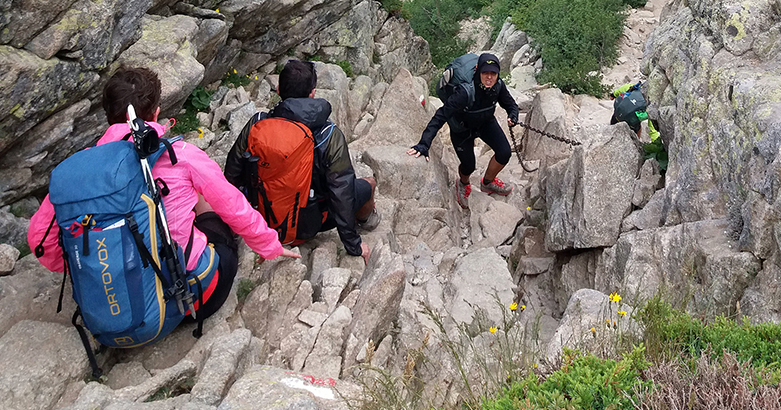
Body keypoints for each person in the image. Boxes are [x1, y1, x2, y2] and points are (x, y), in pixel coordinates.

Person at [28, 66, 301, 330]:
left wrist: (86, 269)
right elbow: (233, 206)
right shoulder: (179, 155)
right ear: (156, 112)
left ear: (108, 115)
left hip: (112, 311)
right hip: (193, 300)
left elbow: (40, 241)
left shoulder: (79, 172)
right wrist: (270, 245)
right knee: (202, 199)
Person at [225, 58, 374, 262]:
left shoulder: (257, 123)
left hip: (261, 216)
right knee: (368, 184)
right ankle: (368, 221)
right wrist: (354, 245)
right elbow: (342, 193)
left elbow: (232, 173)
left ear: (278, 90)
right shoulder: (328, 135)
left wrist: (234, 224)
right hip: (307, 225)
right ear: (312, 93)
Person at [407, 51, 519, 208]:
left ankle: (488, 182)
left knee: (504, 152)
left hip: (486, 122)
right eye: (485, 73)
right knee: (468, 166)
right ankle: (463, 183)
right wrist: (424, 144)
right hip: (462, 129)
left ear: (498, 74)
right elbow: (440, 116)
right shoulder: (464, 92)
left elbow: (511, 104)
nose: (489, 77)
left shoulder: (498, 86)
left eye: (493, 74)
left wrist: (513, 116)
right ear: (478, 71)